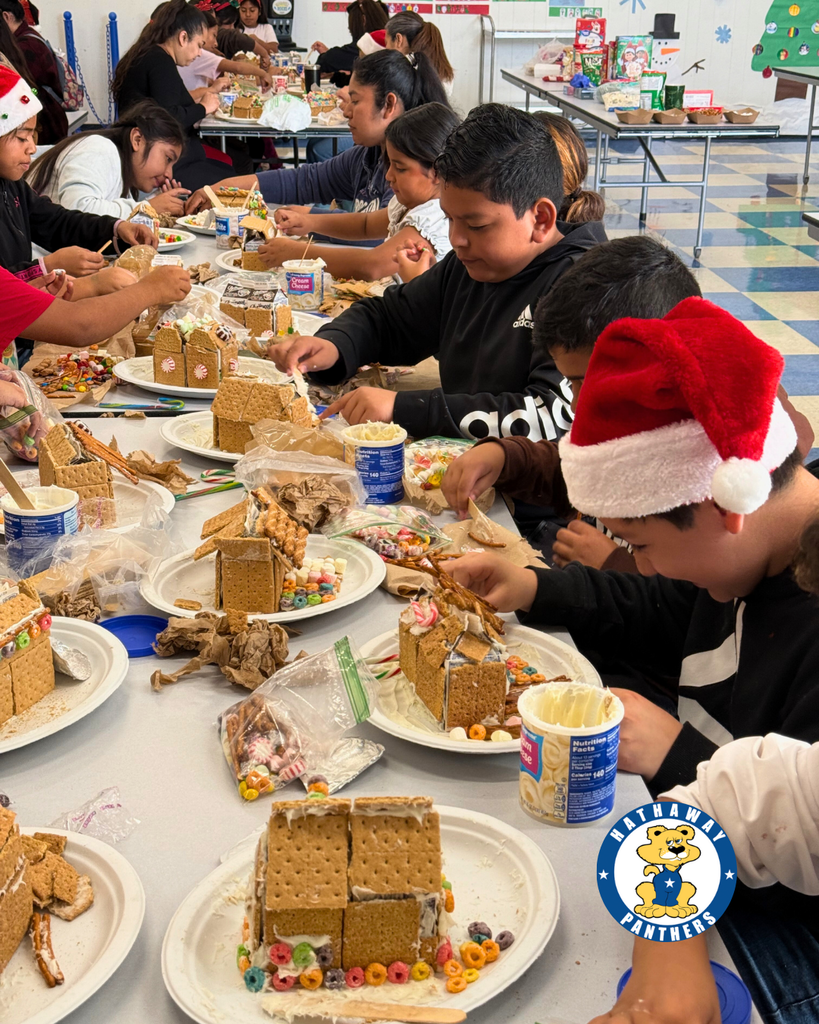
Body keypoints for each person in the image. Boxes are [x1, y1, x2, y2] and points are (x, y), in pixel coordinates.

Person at [268, 103, 606, 435]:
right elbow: (390, 318)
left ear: (541, 218)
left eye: (476, 225)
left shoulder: (586, 292)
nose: (456, 239)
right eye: (449, 219)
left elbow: (547, 416)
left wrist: (403, 408)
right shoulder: (470, 265)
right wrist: (335, 346)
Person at [441, 237, 700, 569]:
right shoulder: (633, 434)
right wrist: (507, 457)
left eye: (585, 382)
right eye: (571, 383)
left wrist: (617, 566)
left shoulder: (697, 472)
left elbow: (677, 604)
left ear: (655, 366)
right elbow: (578, 470)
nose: (577, 403)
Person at [185, 49, 448, 222]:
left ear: (389, 105)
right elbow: (303, 181)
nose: (345, 111)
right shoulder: (365, 159)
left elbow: (376, 237)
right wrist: (222, 188)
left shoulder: (414, 171)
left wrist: (310, 218)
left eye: (355, 101)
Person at [258, 103, 458, 281]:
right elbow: (365, 224)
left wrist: (299, 253)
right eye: (389, 165)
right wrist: (310, 221)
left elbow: (371, 266)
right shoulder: (408, 202)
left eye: (400, 168)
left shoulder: (433, 218)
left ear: (437, 172)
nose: (388, 175)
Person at [111, 0, 232, 191]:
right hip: (163, 160)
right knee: (234, 181)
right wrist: (203, 108)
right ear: (183, 37)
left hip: (163, 154)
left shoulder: (150, 56)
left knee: (233, 171)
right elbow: (171, 117)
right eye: (199, 45)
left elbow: (168, 104)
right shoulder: (159, 62)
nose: (200, 53)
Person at [27, 101, 189, 220]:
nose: (169, 174)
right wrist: (148, 208)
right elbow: (77, 210)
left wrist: (154, 203)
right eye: (167, 158)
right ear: (137, 139)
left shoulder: (123, 173)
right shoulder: (99, 148)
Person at [0, 0, 67, 144]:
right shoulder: (29, 36)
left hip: (42, 122)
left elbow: (24, 92)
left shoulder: (25, 45)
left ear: (6, 17)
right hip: (46, 117)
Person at [179, 6, 272, 93]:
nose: (216, 43)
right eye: (214, 35)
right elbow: (237, 67)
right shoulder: (199, 54)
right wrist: (263, 74)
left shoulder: (187, 52)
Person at [311, 0, 389, 88]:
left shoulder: (368, 45)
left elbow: (324, 63)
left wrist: (326, 55)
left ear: (363, 20)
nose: (349, 28)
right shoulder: (388, 43)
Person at [385, 11, 454, 95]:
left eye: (386, 42)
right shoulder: (439, 65)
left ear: (399, 39)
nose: (386, 48)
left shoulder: (401, 72)